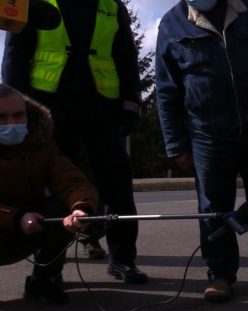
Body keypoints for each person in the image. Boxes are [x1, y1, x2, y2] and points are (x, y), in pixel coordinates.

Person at [156, 0, 248, 302]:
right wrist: (177, 145)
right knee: (213, 208)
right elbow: (167, 90)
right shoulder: (172, 23)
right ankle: (220, 276)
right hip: (207, 134)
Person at [2, 0, 148, 284]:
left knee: (118, 185)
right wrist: (20, 111)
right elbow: (15, 55)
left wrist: (131, 104)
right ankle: (48, 269)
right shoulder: (31, 3)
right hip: (49, 112)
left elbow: (126, 56)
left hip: (103, 109)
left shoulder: (111, 6)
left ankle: (123, 260)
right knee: (54, 193)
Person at [0, 84, 98, 304]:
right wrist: (17, 216)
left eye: (17, 115)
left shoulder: (43, 148)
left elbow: (72, 181)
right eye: (2, 117)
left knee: (62, 208)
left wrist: (81, 208)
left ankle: (43, 280)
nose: (11, 124)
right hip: (10, 226)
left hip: (30, 229)